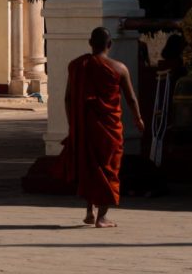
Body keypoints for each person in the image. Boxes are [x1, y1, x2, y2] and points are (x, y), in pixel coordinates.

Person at [61, 27, 145, 228]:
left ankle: (90, 211)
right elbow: (131, 98)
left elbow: (68, 98)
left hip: (85, 125)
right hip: (109, 127)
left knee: (90, 167)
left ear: (90, 43)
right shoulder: (119, 68)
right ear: (110, 44)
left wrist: (73, 122)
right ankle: (102, 217)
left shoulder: (76, 66)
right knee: (108, 167)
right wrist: (138, 119)